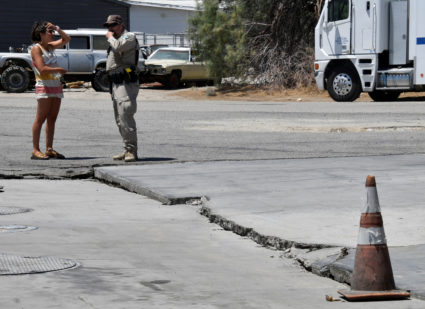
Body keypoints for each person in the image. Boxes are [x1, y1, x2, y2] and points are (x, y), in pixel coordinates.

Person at [30, 21, 70, 160]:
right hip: (44, 86)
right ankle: (35, 150)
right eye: (50, 32)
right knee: (40, 118)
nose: (52, 34)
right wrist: (59, 69)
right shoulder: (37, 48)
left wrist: (57, 28)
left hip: (55, 85)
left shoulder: (50, 47)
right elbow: (42, 69)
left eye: (53, 32)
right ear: (41, 34)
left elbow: (67, 39)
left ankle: (49, 148)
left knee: (52, 118)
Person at [104, 15, 140, 162]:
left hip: (126, 81)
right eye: (108, 26)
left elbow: (119, 46)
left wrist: (109, 37)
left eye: (113, 25)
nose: (110, 29)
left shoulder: (129, 37)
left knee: (126, 113)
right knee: (119, 118)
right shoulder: (115, 40)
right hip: (116, 82)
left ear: (120, 25)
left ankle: (132, 150)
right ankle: (127, 149)